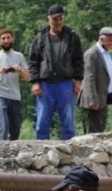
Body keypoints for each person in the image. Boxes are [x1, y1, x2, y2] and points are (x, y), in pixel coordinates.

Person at [28, 4, 83, 140]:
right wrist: (35, 82)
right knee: (42, 122)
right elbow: (33, 62)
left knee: (68, 123)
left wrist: (78, 81)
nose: (58, 22)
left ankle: (69, 151)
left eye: (60, 19)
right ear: (48, 20)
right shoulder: (40, 37)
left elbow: (79, 60)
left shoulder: (72, 37)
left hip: (65, 84)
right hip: (45, 85)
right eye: (55, 19)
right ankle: (41, 151)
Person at [0, 27, 29, 140]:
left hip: (15, 96)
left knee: (15, 130)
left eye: (8, 38)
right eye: (3, 38)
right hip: (0, 96)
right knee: (3, 126)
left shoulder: (19, 56)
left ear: (13, 39)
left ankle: (12, 154)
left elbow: (29, 78)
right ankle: (0, 152)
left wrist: (20, 70)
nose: (6, 40)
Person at [79, 27, 112, 134]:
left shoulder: (106, 54)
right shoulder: (91, 54)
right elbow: (89, 78)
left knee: (100, 131)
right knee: (93, 134)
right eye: (110, 41)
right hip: (94, 101)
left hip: (103, 99)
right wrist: (92, 100)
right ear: (101, 39)